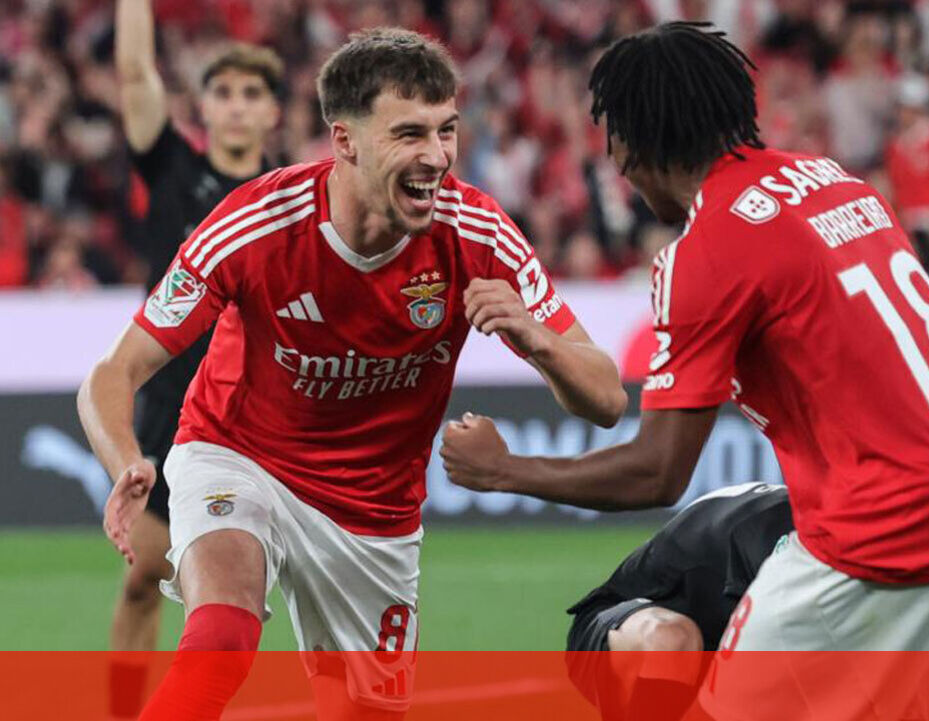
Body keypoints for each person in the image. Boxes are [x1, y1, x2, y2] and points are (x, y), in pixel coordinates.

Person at [439, 21, 929, 721]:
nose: (616, 164)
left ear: (633, 142)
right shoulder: (837, 182)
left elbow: (657, 472)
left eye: (613, 141)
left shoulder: (710, 248)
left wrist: (505, 470)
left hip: (884, 527)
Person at [78, 27, 625, 721]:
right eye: (409, 134)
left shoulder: (479, 232)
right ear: (345, 141)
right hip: (239, 456)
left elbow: (607, 397)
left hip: (374, 513)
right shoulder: (254, 224)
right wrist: (125, 460)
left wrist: (537, 338)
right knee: (221, 637)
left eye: (447, 130)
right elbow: (112, 372)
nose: (437, 157)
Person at [109, 1, 282, 716]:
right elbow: (132, 70)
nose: (236, 106)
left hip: (258, 413)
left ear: (272, 112)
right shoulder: (173, 168)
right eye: (223, 92)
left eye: (251, 93)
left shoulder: (287, 197)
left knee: (231, 592)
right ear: (203, 107)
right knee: (142, 581)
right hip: (172, 409)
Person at [565, 482, 792, 721]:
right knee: (671, 637)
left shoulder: (799, 529)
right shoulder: (775, 538)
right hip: (618, 631)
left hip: (712, 645)